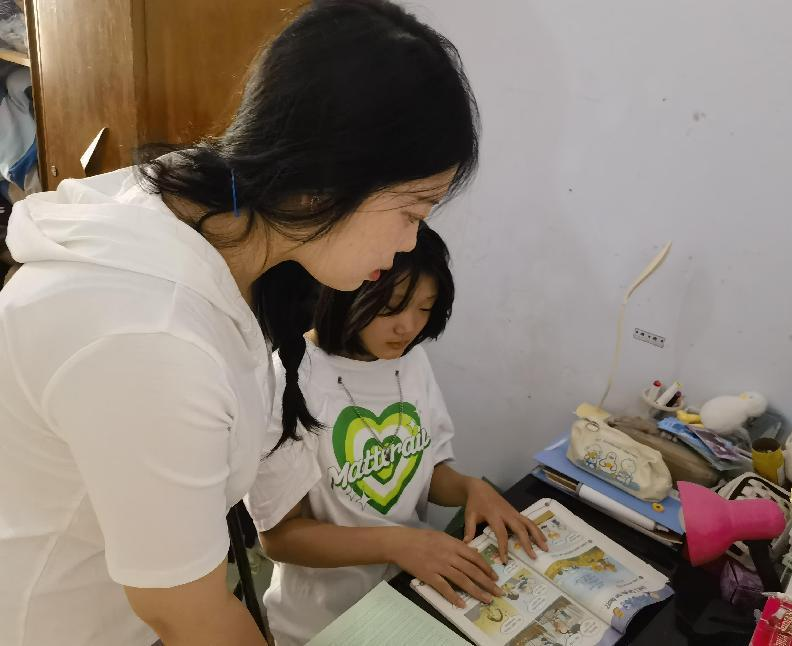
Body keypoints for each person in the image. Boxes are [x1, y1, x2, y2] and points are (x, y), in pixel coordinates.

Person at [0, 2, 479, 644]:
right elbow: (186, 612)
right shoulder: (150, 336)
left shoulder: (223, 230)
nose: (409, 243)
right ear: (328, 174)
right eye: (412, 211)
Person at [245, 223, 547, 645]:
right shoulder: (286, 383)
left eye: (425, 308)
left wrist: (469, 488)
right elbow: (280, 538)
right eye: (389, 308)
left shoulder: (410, 361)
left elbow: (425, 471)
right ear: (345, 290)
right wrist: (397, 543)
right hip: (328, 620)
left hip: (412, 591)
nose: (408, 327)